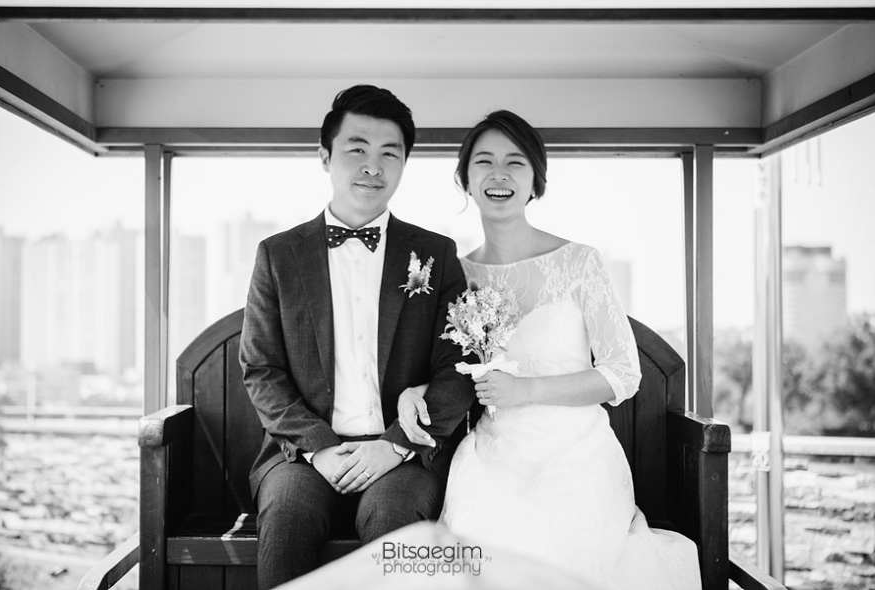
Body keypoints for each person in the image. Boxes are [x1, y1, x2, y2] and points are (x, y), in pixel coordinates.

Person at [392, 110, 703, 589]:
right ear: (465, 179)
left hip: (577, 453)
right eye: (484, 162)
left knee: (554, 551)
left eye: (515, 163)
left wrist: (527, 390)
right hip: (493, 456)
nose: (499, 174)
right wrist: (412, 391)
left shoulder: (580, 262)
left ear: (535, 181)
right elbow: (448, 367)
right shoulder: (458, 274)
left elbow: (623, 373)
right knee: (483, 551)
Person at [239, 84, 476, 589]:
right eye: (357, 150)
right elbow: (261, 369)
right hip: (302, 454)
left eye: (390, 153)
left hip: (404, 453)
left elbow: (458, 367)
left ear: (404, 163)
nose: (373, 166)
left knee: (395, 524)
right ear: (326, 157)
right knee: (287, 518)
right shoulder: (278, 255)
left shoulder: (436, 253)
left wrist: (395, 445)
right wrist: (320, 448)